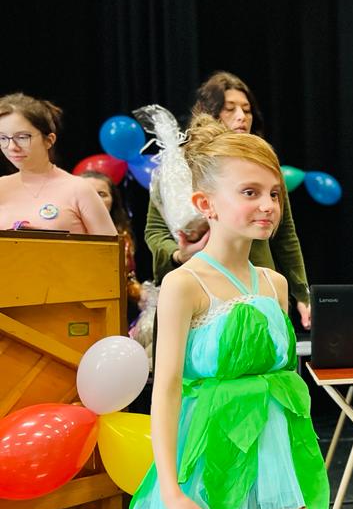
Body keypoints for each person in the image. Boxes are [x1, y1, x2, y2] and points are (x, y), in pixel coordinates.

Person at [124, 114, 329, 509]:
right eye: (249, 192)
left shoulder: (274, 283)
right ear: (206, 204)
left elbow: (284, 382)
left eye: (273, 193)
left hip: (266, 456)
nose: (267, 205)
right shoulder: (184, 284)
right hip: (217, 457)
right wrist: (173, 492)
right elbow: (166, 391)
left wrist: (294, 465)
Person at [143, 71, 312, 328]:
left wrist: (302, 293)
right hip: (201, 288)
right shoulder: (179, 167)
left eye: (247, 110)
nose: (241, 116)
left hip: (257, 284)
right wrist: (178, 254)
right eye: (230, 109)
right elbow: (155, 231)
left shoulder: (263, 164)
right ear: (208, 112)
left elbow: (286, 235)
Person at [0, 93, 116, 235]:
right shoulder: (2, 188)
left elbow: (110, 247)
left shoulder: (79, 189)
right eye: (3, 138)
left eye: (22, 137)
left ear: (49, 140)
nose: (12, 147)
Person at [79, 170, 141, 306]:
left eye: (102, 194)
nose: (95, 199)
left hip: (110, 305)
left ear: (113, 201)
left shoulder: (123, 236)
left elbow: (128, 279)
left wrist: (142, 295)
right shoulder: (61, 234)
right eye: (87, 193)